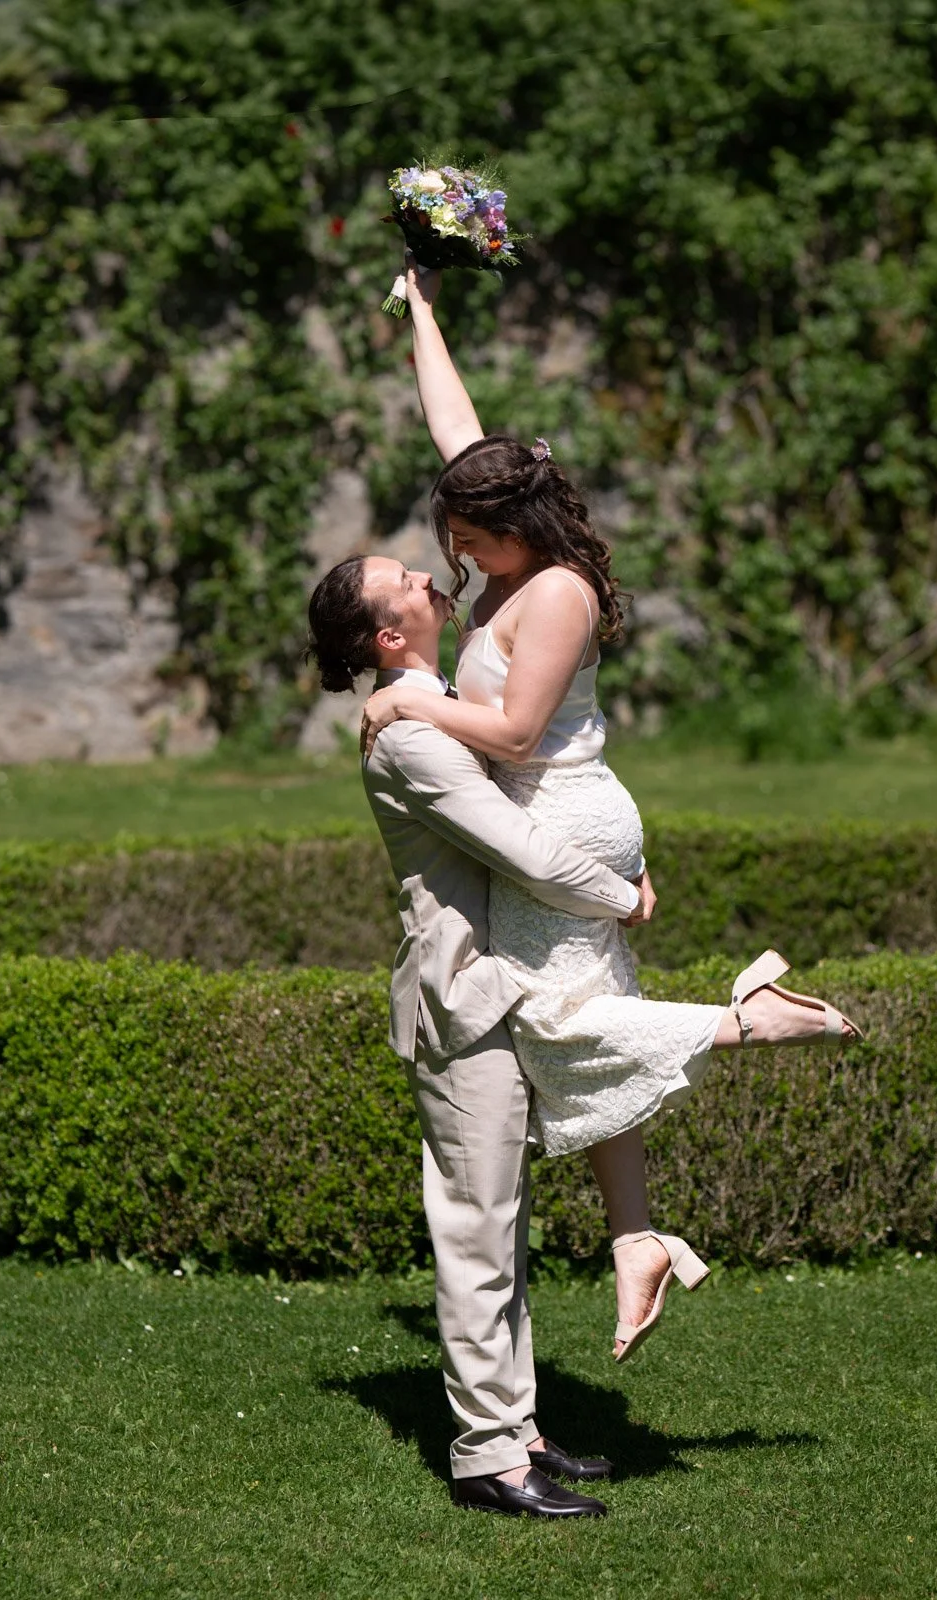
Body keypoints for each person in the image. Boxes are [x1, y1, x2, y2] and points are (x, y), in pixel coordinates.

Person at [359, 258, 863, 1365]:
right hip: (555, 818)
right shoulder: (509, 542)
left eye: (468, 542)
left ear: (512, 526)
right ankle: (634, 1236)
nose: (458, 560)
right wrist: (423, 310)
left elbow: (516, 738)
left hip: (561, 816)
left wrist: (411, 700)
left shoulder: (555, 592)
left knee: (551, 1024)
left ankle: (750, 1019)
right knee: (581, 1024)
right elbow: (454, 425)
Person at [307, 552, 647, 1518]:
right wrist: (621, 893)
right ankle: (487, 1460)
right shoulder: (413, 739)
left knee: (503, 1227)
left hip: (498, 988)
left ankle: (519, 1428)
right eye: (408, 577)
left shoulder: (432, 701)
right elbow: (520, 849)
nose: (428, 572)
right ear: (386, 635)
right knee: (476, 1232)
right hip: (461, 1001)